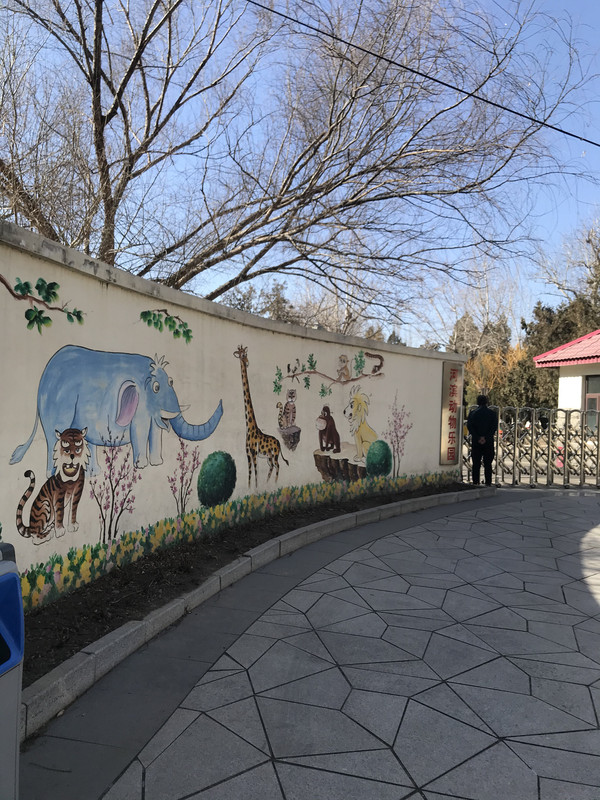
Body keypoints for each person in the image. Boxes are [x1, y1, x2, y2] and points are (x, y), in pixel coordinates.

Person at [467, 395, 498, 486]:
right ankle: (488, 482)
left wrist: (478, 437)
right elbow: (494, 427)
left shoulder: (473, 413)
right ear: (486, 402)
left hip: (476, 442)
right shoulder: (492, 414)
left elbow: (470, 426)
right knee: (488, 463)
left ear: (477, 402)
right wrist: (486, 437)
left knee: (476, 463)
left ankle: (475, 481)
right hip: (488, 442)